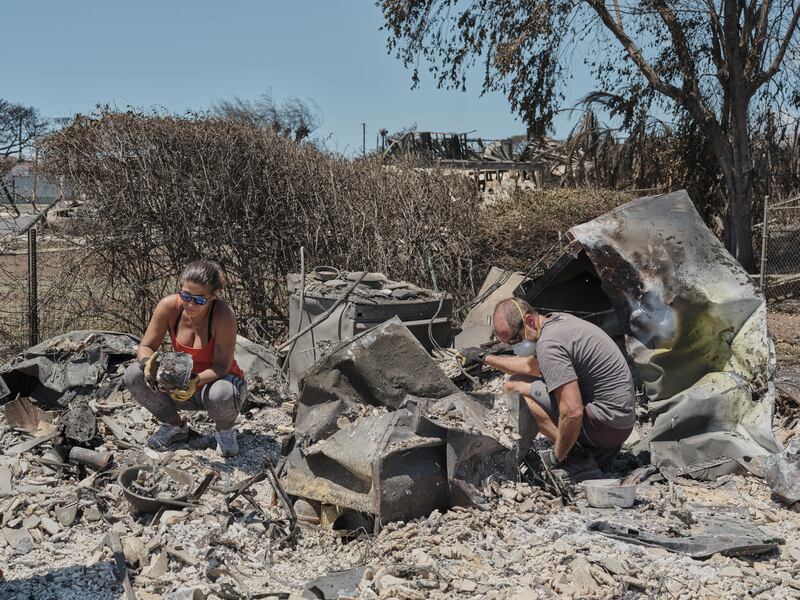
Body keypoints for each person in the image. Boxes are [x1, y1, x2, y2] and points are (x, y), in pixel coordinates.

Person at [459, 298, 635, 474]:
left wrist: (556, 457)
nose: (514, 347)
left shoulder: (548, 344)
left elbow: (573, 412)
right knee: (518, 380)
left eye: (515, 340)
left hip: (607, 426)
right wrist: (484, 357)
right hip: (620, 421)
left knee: (513, 388)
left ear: (529, 321)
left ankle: (575, 454)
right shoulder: (557, 322)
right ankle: (596, 448)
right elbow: (531, 367)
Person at [124, 260, 247, 457]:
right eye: (186, 296)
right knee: (133, 375)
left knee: (221, 394)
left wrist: (195, 381)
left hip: (218, 382)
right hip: (180, 380)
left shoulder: (223, 315)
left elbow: (222, 366)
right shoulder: (169, 306)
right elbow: (146, 346)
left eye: (199, 300)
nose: (190, 304)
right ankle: (176, 427)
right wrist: (148, 364)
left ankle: (224, 431)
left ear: (214, 296)